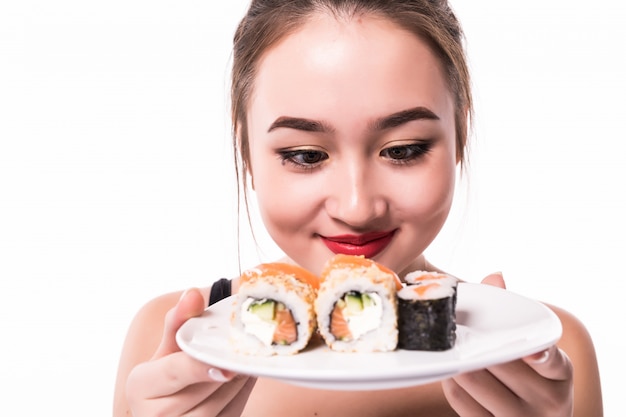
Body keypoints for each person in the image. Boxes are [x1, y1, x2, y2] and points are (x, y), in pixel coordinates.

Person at [113, 0, 603, 415]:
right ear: (245, 153)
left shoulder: (548, 355)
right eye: (305, 155)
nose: (357, 206)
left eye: (404, 149)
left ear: (461, 136)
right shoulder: (170, 346)